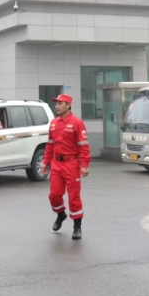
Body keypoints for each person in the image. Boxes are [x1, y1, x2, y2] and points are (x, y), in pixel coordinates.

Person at [42, 94, 90, 240]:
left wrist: (85, 165)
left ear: (68, 105)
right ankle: (60, 214)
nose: (57, 106)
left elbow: (83, 146)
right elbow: (50, 145)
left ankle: (77, 227)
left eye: (60, 104)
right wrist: (45, 162)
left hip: (72, 164)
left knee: (74, 197)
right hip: (56, 164)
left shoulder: (77, 123)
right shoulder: (54, 123)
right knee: (54, 195)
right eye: (56, 104)